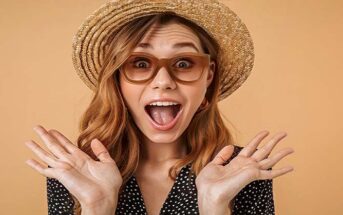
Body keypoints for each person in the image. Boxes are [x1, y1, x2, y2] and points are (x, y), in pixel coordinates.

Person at [24, 0, 295, 214]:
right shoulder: (75, 172)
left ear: (208, 76)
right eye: (140, 63)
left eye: (184, 63)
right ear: (118, 79)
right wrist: (97, 206)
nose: (163, 81)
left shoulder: (244, 173)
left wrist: (215, 207)